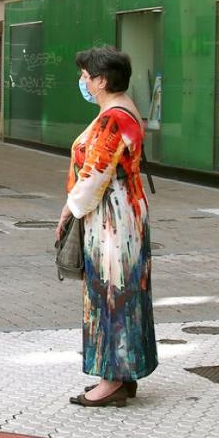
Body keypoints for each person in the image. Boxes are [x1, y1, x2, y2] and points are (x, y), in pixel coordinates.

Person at [56, 46, 157, 407]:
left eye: (86, 75)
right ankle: (123, 374)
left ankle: (111, 379)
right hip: (124, 213)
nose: (82, 80)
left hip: (112, 219)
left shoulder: (114, 118)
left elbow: (95, 174)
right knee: (125, 290)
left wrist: (69, 210)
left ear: (101, 81)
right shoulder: (123, 111)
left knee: (110, 292)